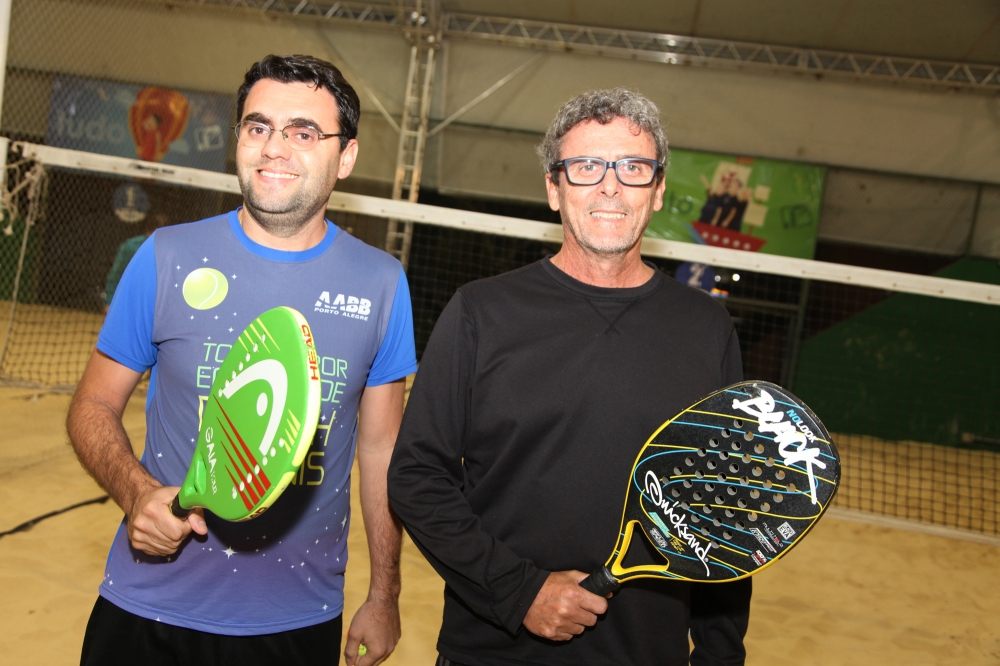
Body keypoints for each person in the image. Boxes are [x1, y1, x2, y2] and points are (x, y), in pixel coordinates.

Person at [68, 54, 416, 666]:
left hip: (297, 621)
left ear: (346, 156)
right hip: (147, 610)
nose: (274, 147)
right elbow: (92, 404)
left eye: (303, 132)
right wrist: (136, 491)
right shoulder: (165, 257)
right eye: (258, 127)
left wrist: (384, 594)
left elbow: (381, 450)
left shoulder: (382, 284)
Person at [388, 88, 751, 666]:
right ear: (554, 188)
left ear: (657, 190)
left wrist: (719, 656)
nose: (610, 186)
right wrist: (518, 590)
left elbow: (721, 514)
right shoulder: (481, 312)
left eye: (633, 167)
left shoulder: (708, 328)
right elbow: (416, 476)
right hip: (492, 654)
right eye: (586, 166)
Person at [104, 212, 168, 313]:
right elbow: (116, 275)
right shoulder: (131, 247)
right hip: (131, 301)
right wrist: (110, 302)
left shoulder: (168, 250)